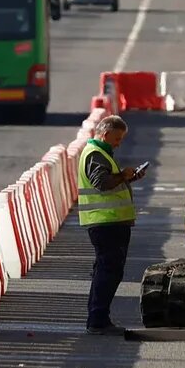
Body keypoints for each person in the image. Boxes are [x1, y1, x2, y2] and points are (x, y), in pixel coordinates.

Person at [77, 115, 146, 335]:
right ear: (105, 135)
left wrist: (128, 177)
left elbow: (109, 181)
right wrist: (123, 175)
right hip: (106, 222)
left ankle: (98, 317)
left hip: (109, 221)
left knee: (105, 271)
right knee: (109, 272)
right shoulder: (96, 154)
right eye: (117, 139)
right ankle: (97, 320)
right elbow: (102, 183)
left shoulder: (99, 153)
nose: (118, 143)